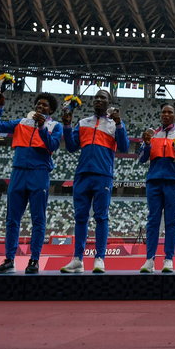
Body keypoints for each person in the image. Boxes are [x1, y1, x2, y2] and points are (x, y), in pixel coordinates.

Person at [0, 92, 62, 274]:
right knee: (12, 219)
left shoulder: (55, 125)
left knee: (38, 219)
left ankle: (34, 260)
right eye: (38, 104)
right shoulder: (21, 122)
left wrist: (42, 127)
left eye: (45, 105)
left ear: (51, 110)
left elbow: (52, 146)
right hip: (18, 172)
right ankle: (9, 259)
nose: (40, 106)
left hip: (39, 173)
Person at [59, 89, 129, 273]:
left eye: (103, 98)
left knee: (101, 217)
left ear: (110, 102)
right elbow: (72, 147)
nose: (98, 100)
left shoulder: (114, 125)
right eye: (96, 97)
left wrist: (120, 123)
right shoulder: (82, 123)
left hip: (103, 175)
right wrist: (67, 126)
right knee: (80, 217)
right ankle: (77, 259)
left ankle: (99, 258)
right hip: (82, 174)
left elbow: (124, 147)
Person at [138, 103, 175, 273]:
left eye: (170, 112)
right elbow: (141, 158)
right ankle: (149, 260)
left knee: (171, 222)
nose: (166, 115)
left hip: (173, 182)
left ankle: (168, 259)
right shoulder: (152, 134)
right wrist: (147, 144)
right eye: (163, 112)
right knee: (153, 221)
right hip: (154, 182)